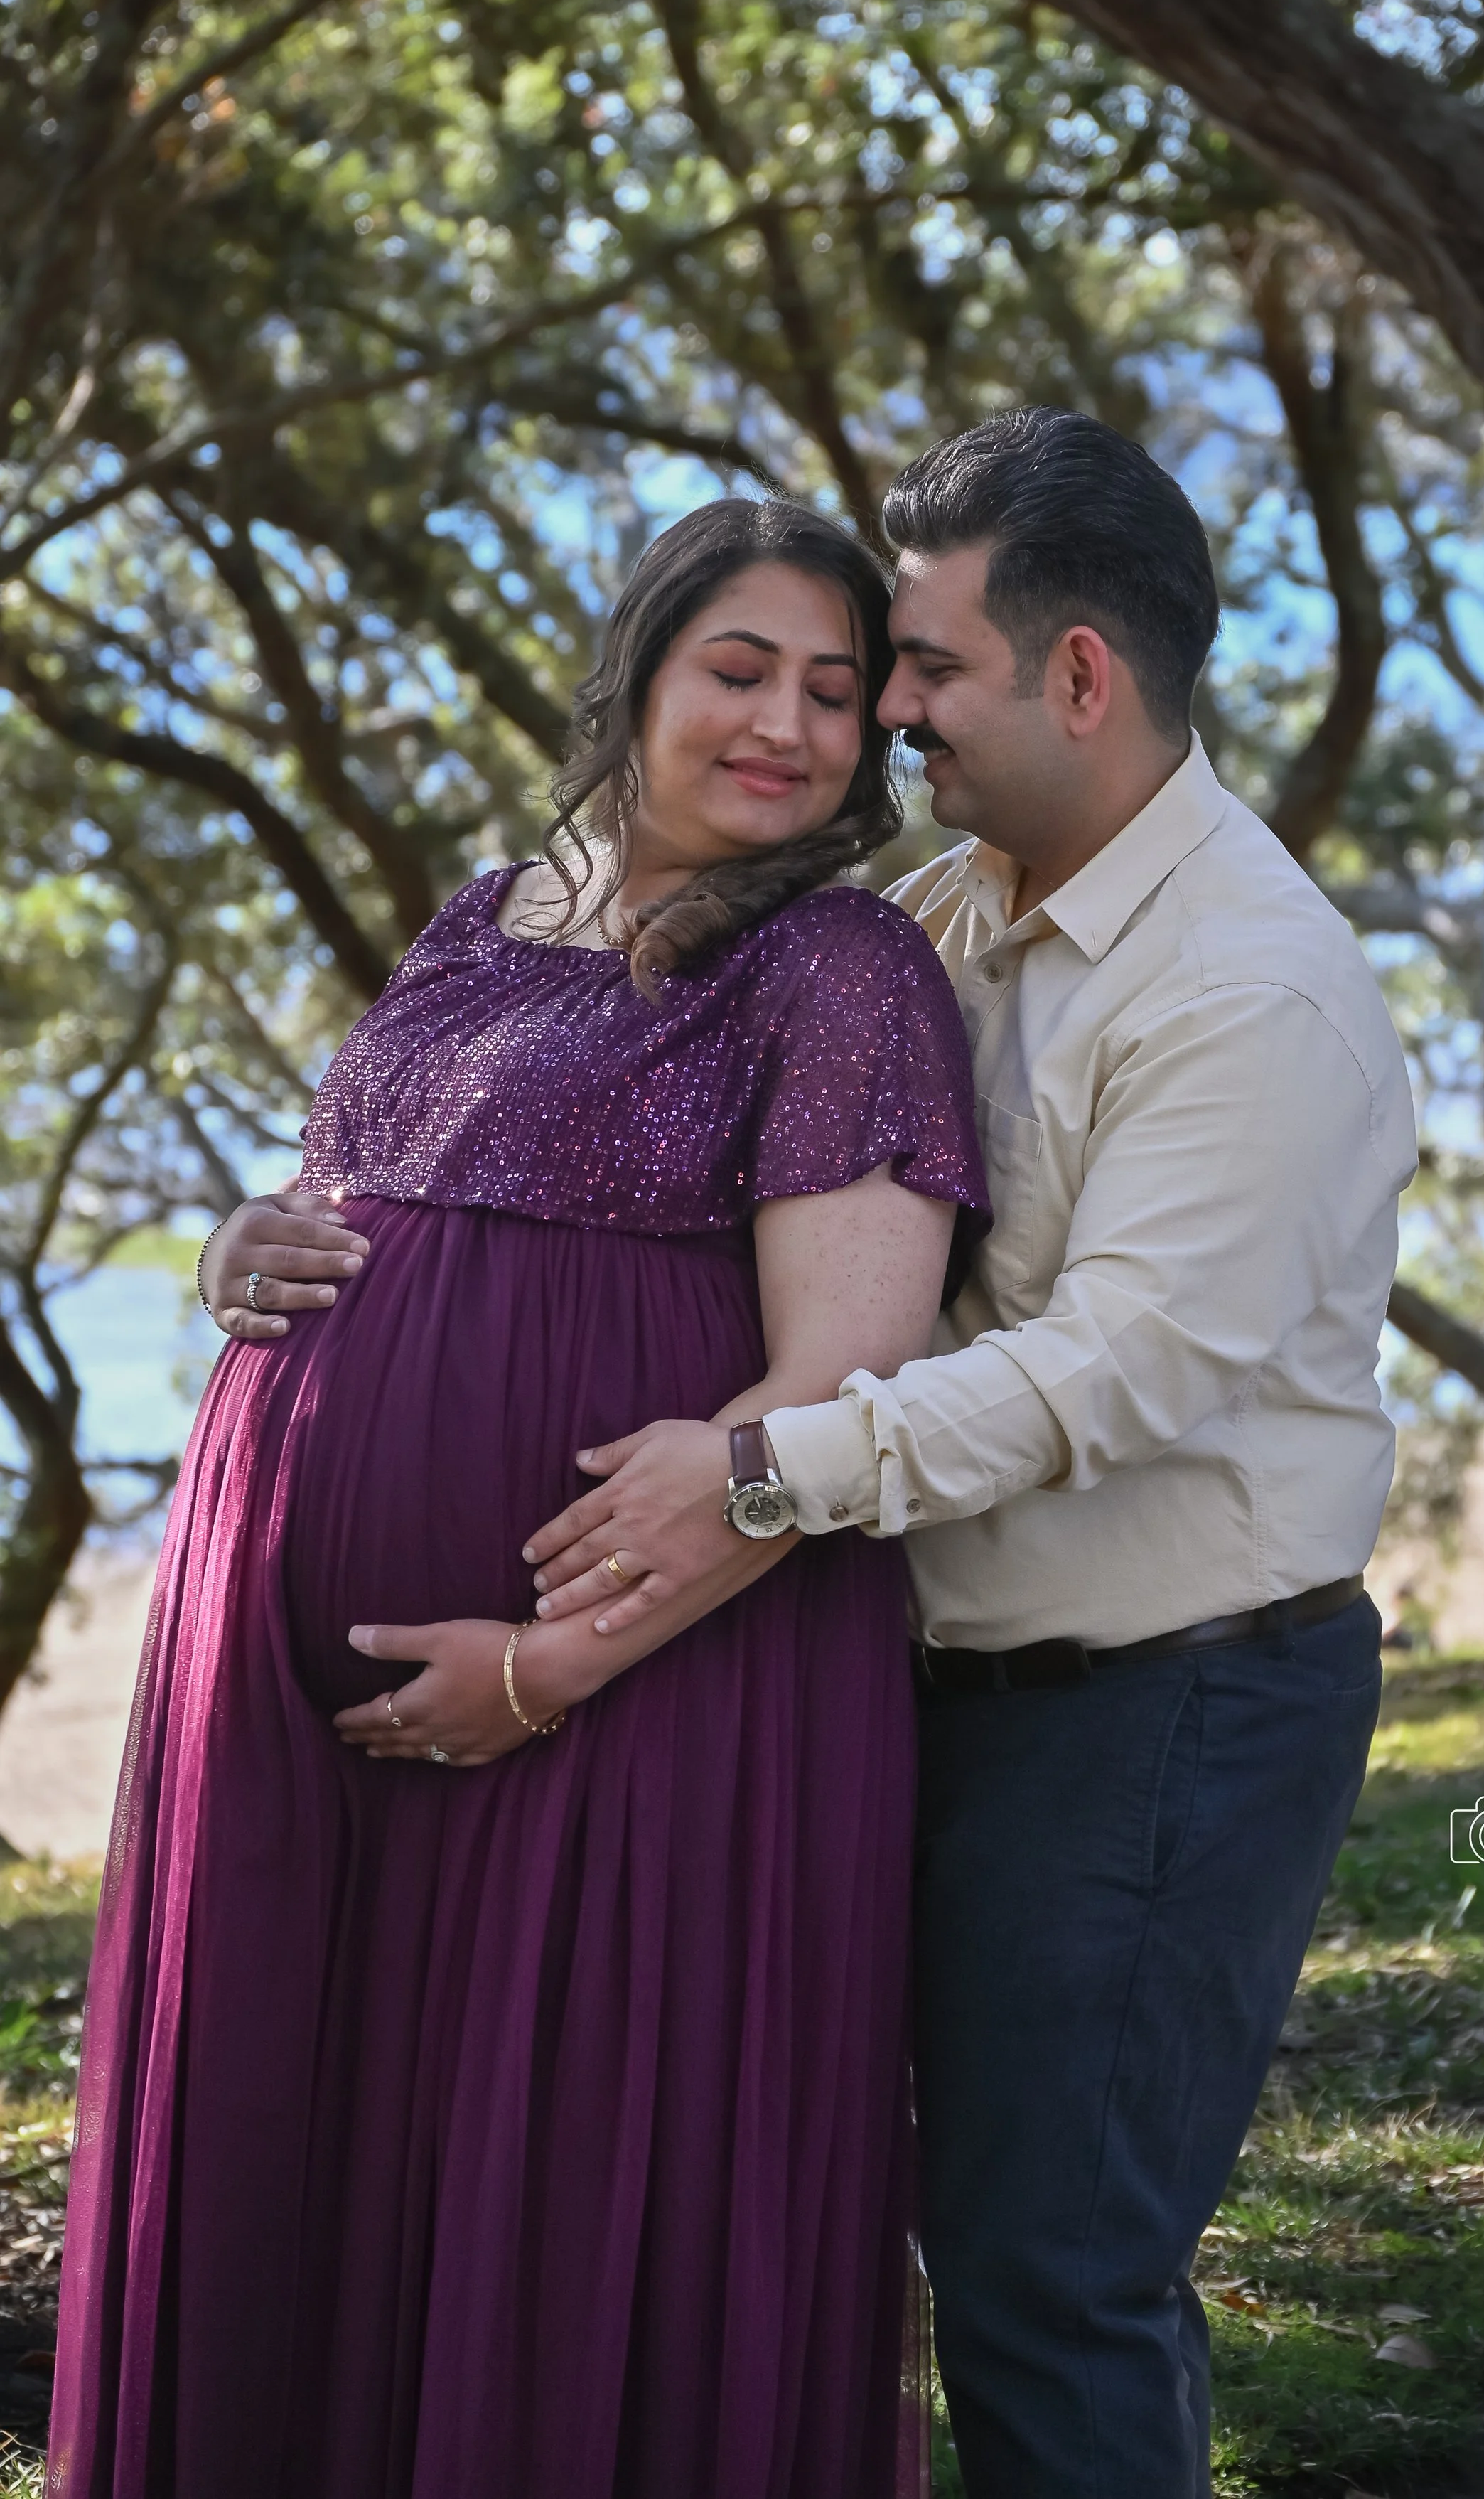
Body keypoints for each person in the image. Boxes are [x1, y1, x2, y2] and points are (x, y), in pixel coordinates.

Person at [48, 497, 989, 2499]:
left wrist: (547, 1667)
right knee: (316, 2207)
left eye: (836, 691)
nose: (790, 727)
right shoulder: (483, 916)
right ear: (637, 672)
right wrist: (241, 1253)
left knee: (556, 2215)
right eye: (739, 669)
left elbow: (838, 1386)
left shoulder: (842, 970)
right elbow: (343, 1191)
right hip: (304, 1733)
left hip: (642, 1714)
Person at [525, 409, 1419, 2499]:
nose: (878, 712)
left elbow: (1108, 1372)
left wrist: (752, 1474)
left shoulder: (1253, 993)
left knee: (1050, 2269)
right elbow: (623, 1097)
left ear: (1078, 674)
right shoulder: (942, 914)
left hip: (1165, 1714)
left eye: (916, 667)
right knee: (890, 2248)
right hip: (929, 1693)